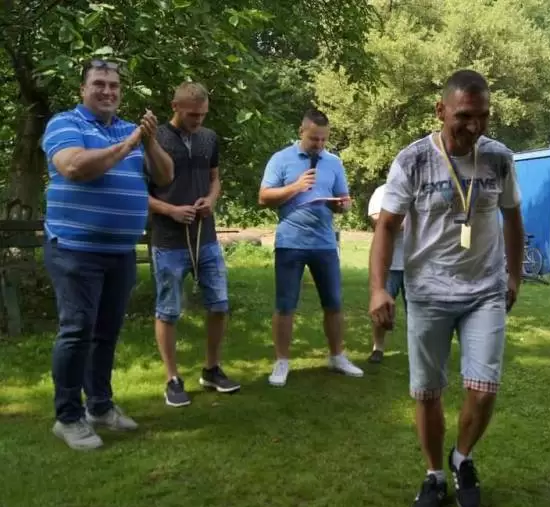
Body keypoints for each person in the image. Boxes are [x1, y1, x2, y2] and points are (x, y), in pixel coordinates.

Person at [368, 69, 524, 507]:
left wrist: (514, 276)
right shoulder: (413, 160)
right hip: (428, 292)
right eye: (464, 116)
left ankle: (462, 457)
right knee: (427, 392)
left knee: (484, 388)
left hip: (485, 291)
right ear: (440, 110)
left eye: (483, 116)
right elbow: (387, 226)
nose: (474, 126)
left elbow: (513, 217)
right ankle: (435, 473)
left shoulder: (499, 159)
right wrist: (378, 288)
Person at [41, 58, 174, 450]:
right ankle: (68, 417)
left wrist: (149, 140)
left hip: (119, 251)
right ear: (82, 89)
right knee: (77, 330)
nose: (107, 91)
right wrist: (129, 144)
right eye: (99, 83)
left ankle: (99, 406)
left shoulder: (129, 129)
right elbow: (74, 167)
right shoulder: (66, 124)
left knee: (105, 332)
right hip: (74, 249)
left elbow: (165, 176)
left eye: (114, 85)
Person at [147, 81, 240, 407]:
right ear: (175, 107)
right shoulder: (155, 139)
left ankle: (212, 369)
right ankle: (172, 379)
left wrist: (211, 200)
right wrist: (170, 210)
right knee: (169, 310)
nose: (198, 120)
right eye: (192, 115)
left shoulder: (208, 138)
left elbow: (215, 180)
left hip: (206, 239)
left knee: (219, 304)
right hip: (168, 242)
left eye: (202, 114)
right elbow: (137, 193)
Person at [258, 108, 363, 386]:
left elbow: (344, 198)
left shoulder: (334, 162)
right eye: (314, 139)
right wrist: (295, 186)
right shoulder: (281, 159)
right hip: (290, 242)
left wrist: (343, 205)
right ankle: (282, 362)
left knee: (334, 302)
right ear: (301, 132)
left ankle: (337, 356)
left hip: (325, 243)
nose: (319, 144)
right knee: (285, 304)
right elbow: (264, 197)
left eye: (323, 140)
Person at [366, 183, 405, 363]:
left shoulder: (421, 189)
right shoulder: (382, 192)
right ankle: (378, 348)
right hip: (389, 264)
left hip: (417, 265)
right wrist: (400, 223)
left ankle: (420, 350)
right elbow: (377, 221)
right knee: (382, 309)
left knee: (420, 312)